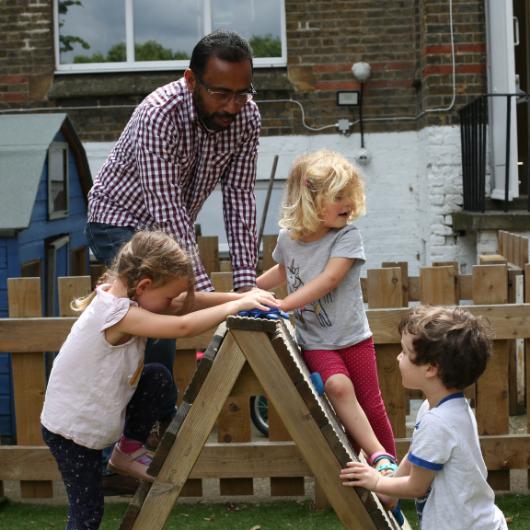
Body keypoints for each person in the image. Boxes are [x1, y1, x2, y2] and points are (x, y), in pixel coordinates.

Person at [41, 231, 278, 530]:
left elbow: (186, 304)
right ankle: (123, 457)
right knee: (88, 511)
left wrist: (240, 296)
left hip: (91, 416)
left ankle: (127, 452)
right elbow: (182, 325)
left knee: (157, 379)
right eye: (167, 297)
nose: (171, 303)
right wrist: (235, 307)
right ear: (144, 285)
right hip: (71, 431)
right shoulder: (118, 314)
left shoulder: (125, 296)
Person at [85, 28, 260, 382]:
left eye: (242, 94)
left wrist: (245, 287)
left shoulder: (247, 117)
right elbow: (167, 213)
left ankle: (148, 415)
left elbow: (240, 197)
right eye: (220, 93)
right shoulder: (158, 114)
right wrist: (210, 300)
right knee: (157, 310)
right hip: (117, 218)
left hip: (166, 227)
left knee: (160, 309)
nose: (231, 106)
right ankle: (146, 424)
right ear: (191, 80)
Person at [256, 149, 397, 476]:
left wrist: (283, 304)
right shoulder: (287, 239)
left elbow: (329, 279)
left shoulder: (347, 237)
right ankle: (368, 466)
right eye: (339, 196)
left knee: (370, 406)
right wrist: (250, 288)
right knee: (337, 388)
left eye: (351, 194)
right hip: (317, 341)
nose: (348, 203)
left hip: (353, 338)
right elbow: (281, 269)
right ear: (310, 200)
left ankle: (388, 474)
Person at [340, 305, 508, 530]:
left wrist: (378, 481)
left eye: (406, 353)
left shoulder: (437, 422)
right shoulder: (439, 408)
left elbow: (417, 486)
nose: (398, 358)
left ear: (431, 368)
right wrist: (389, 490)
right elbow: (416, 454)